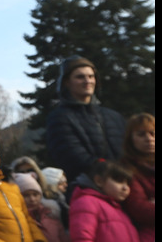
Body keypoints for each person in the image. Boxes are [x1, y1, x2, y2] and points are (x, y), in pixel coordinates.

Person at [45, 56, 126, 186]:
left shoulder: (114, 116)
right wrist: (107, 174)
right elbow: (72, 157)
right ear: (66, 82)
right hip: (87, 189)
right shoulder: (59, 118)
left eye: (91, 76)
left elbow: (129, 150)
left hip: (124, 185)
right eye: (80, 77)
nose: (87, 81)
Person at [69, 160, 143, 242]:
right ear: (99, 181)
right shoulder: (87, 202)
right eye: (118, 181)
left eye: (127, 183)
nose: (125, 188)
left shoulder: (121, 212)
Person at [13, 173, 75, 242]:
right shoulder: (17, 223)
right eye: (26, 195)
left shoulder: (52, 218)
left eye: (35, 194)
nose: (32, 199)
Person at [120, 114, 155, 242]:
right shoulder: (127, 169)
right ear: (131, 140)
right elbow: (138, 208)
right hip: (148, 239)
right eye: (141, 134)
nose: (149, 138)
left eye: (152, 133)